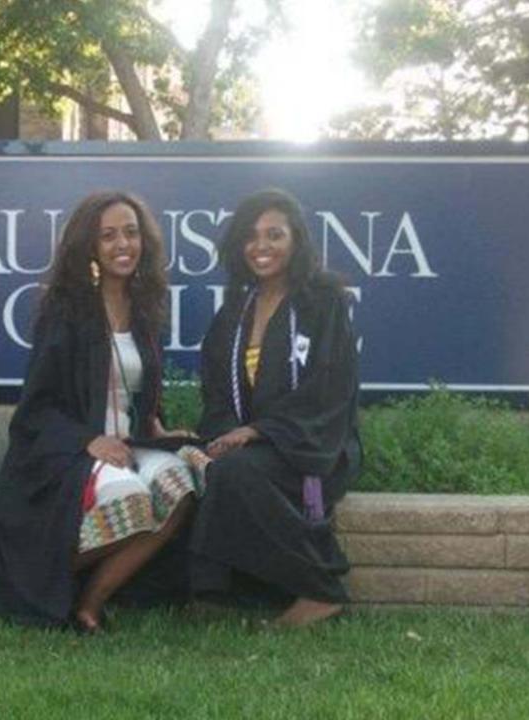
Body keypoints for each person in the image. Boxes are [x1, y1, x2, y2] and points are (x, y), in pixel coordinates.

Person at [0, 191, 199, 633]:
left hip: (130, 444)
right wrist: (90, 440)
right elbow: (37, 406)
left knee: (181, 487)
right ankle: (19, 572)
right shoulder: (67, 312)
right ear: (90, 247)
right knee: (135, 502)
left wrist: (155, 425)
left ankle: (90, 602)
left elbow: (135, 389)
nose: (123, 244)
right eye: (108, 236)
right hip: (74, 450)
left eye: (130, 232)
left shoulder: (144, 307)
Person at [185, 188, 361, 627]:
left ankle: (321, 589)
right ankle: (225, 591)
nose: (260, 246)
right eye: (250, 236)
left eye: (274, 234)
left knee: (235, 472)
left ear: (296, 241)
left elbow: (330, 386)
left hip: (313, 440)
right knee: (214, 467)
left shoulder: (324, 302)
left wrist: (260, 431)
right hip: (252, 446)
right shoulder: (234, 311)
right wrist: (226, 433)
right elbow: (217, 392)